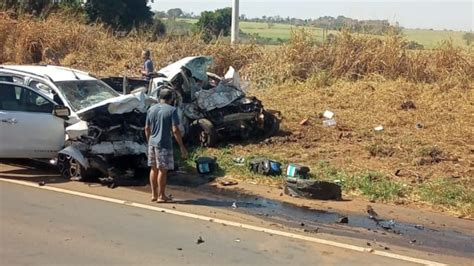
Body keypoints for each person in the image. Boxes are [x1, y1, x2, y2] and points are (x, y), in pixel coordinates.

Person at [145, 89, 188, 203]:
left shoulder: (151, 109)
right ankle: (161, 196)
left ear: (160, 97)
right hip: (164, 144)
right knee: (162, 170)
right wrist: (182, 146)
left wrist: (149, 141)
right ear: (171, 99)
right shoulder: (172, 110)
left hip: (152, 143)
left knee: (153, 169)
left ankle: (154, 195)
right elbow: (175, 130)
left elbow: (147, 128)